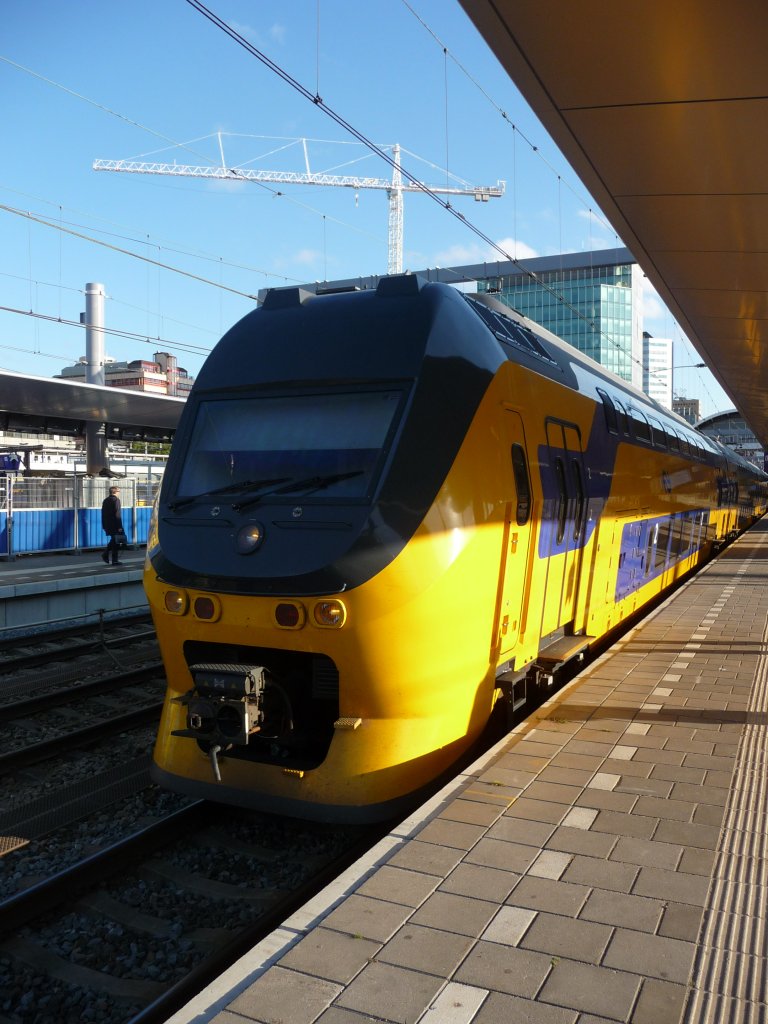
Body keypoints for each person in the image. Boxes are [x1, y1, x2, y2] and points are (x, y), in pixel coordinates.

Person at [101, 485, 123, 565]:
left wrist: (104, 525)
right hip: (115, 524)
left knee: (114, 541)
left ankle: (108, 556)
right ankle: (112, 558)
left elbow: (103, 514)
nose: (119, 493)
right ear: (115, 492)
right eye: (119, 491)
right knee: (116, 542)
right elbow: (117, 514)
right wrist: (120, 526)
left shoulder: (106, 500)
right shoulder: (116, 500)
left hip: (107, 524)